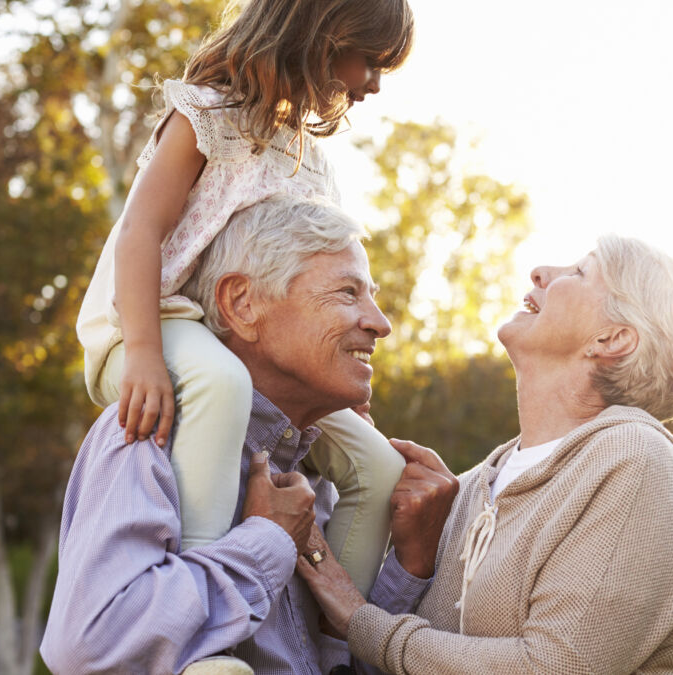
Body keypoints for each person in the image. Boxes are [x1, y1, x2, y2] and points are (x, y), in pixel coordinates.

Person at [75, 0, 415, 605]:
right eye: (371, 61)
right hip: (155, 319)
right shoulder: (206, 116)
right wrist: (145, 354)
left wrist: (342, 391)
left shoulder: (310, 159)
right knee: (222, 384)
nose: (376, 84)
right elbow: (140, 232)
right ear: (325, 36)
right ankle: (203, 608)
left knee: (376, 466)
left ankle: (340, 636)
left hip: (240, 337)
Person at [42, 196, 453, 675]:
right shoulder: (147, 436)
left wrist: (413, 563)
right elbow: (91, 647)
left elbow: (333, 667)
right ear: (242, 303)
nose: (380, 323)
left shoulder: (316, 474)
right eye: (347, 293)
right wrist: (268, 539)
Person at [296, 234, 673, 674]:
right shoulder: (469, 488)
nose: (541, 272)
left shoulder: (636, 460)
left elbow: (551, 666)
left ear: (612, 338)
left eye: (580, 272)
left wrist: (359, 618)